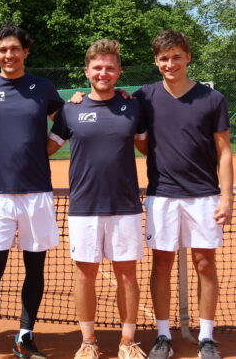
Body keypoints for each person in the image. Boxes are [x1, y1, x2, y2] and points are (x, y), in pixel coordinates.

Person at [0, 23, 63, 359]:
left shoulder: (42, 87)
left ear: (25, 51)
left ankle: (25, 336)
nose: (9, 54)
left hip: (36, 194)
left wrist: (49, 146)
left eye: (15, 48)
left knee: (35, 269)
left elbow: (66, 119)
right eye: (2, 50)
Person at [133, 31, 233, 359]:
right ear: (156, 61)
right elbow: (112, 104)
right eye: (164, 58)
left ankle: (206, 337)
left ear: (188, 57)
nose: (170, 63)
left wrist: (227, 197)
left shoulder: (212, 98)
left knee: (205, 263)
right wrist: (79, 97)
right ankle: (163, 335)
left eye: (176, 56)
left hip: (204, 196)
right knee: (161, 264)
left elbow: (224, 151)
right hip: (162, 195)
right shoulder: (144, 97)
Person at [48, 39, 147, 359]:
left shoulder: (133, 106)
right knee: (85, 276)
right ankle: (88, 341)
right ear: (87, 71)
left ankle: (127, 341)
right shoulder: (71, 109)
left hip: (125, 206)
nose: (104, 73)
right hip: (84, 207)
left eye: (110, 68)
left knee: (127, 275)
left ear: (119, 72)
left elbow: (147, 147)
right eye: (98, 67)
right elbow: (46, 148)